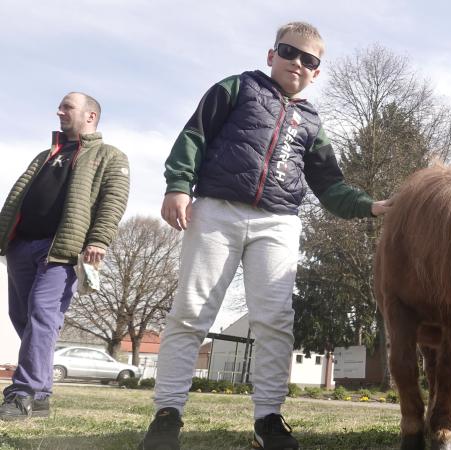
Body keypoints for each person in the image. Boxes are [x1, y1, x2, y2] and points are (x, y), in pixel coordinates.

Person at [140, 22, 389, 450]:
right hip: (217, 210)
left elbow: (330, 186)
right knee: (190, 312)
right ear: (271, 54)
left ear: (317, 72)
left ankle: (268, 419)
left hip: (279, 222)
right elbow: (194, 137)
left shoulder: (312, 122)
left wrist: (371, 205)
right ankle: (167, 416)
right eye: (289, 52)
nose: (298, 63)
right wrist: (179, 184)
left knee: (275, 320)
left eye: (309, 60)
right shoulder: (236, 88)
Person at [0, 92, 130, 420]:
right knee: (23, 318)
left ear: (90, 116)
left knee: (43, 314)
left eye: (67, 107)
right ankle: (41, 396)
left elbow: (113, 200)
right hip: (21, 246)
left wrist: (99, 239)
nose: (59, 111)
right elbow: (18, 195)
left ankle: (23, 392)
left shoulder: (109, 156)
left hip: (62, 250)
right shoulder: (46, 154)